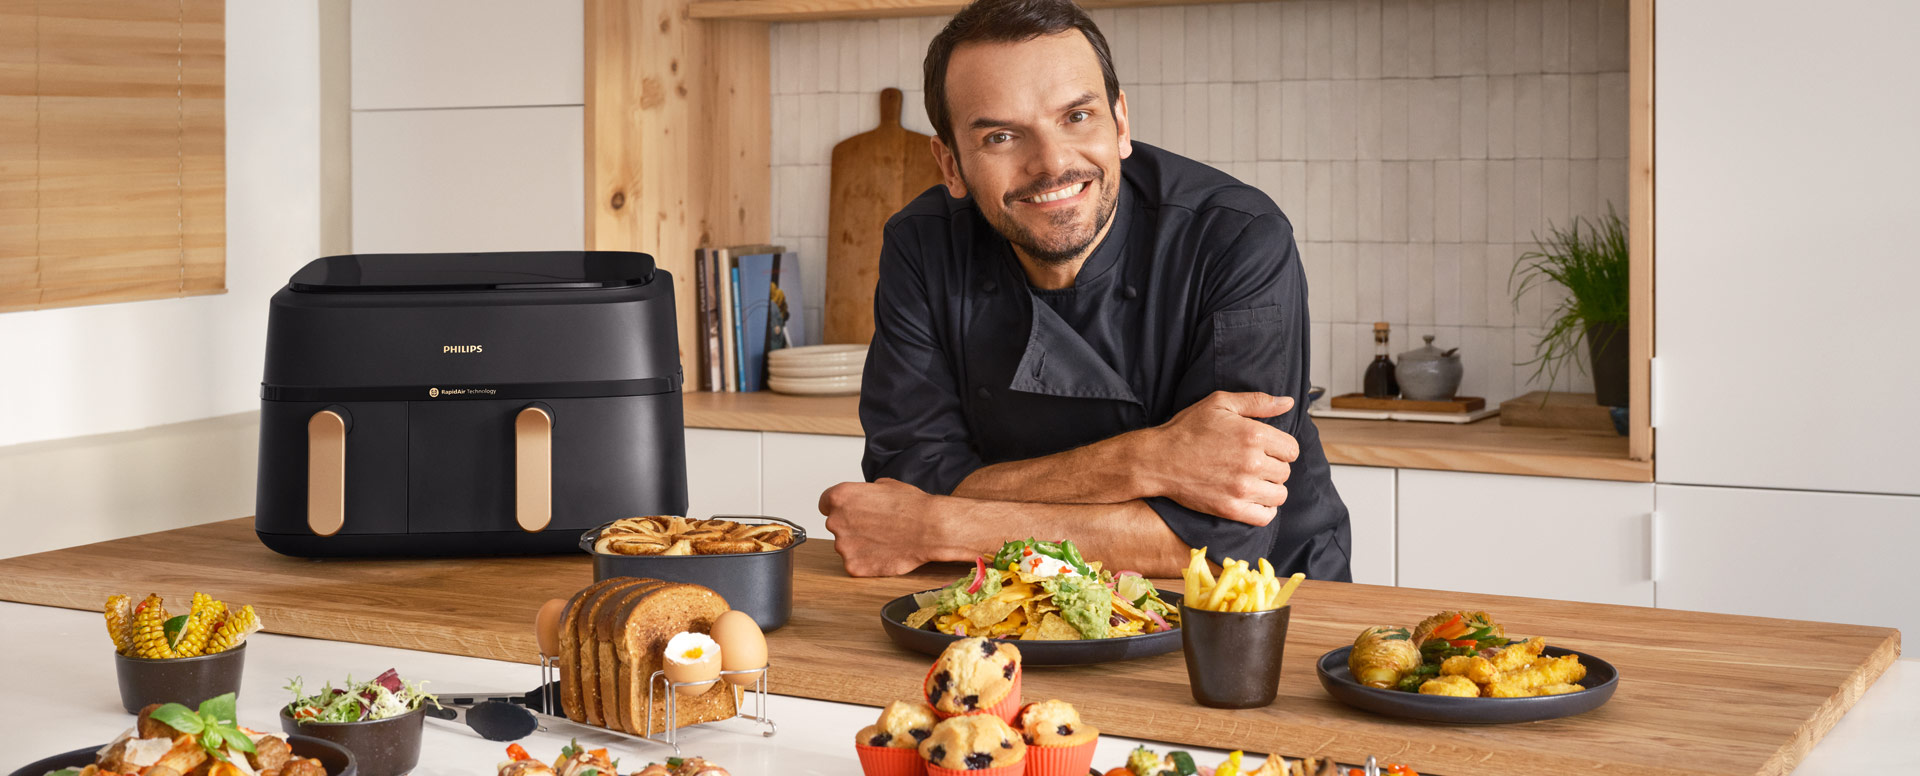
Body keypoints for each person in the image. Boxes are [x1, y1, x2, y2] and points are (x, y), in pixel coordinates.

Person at [819, 0, 1350, 580]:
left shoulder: (1233, 236)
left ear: (1120, 123)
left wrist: (939, 526)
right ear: (950, 165)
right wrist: (1144, 460)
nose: (1051, 165)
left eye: (1077, 117)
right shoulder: (921, 246)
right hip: (1006, 602)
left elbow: (1212, 543)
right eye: (1001, 136)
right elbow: (910, 478)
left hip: (1251, 611)